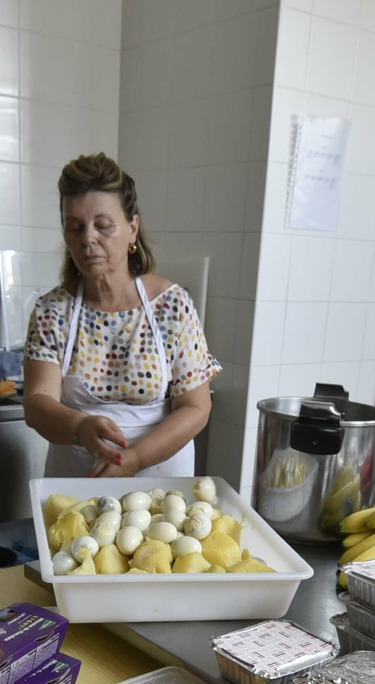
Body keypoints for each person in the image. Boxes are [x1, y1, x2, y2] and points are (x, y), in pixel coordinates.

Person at [23, 154, 219, 477]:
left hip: (160, 492)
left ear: (132, 229)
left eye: (103, 226)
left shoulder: (172, 307)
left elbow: (196, 407)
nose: (88, 239)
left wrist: (137, 458)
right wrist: (80, 427)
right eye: (75, 227)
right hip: (76, 490)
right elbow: (37, 404)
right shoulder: (52, 312)